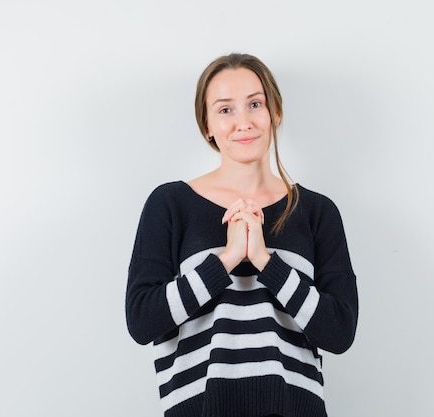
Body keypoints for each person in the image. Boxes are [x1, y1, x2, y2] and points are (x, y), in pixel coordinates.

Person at [125, 53, 358, 417]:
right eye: (225, 110)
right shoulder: (170, 204)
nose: (243, 122)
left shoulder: (316, 212)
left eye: (254, 104)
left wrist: (266, 261)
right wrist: (228, 258)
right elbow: (142, 321)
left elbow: (340, 332)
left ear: (275, 113)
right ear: (207, 125)